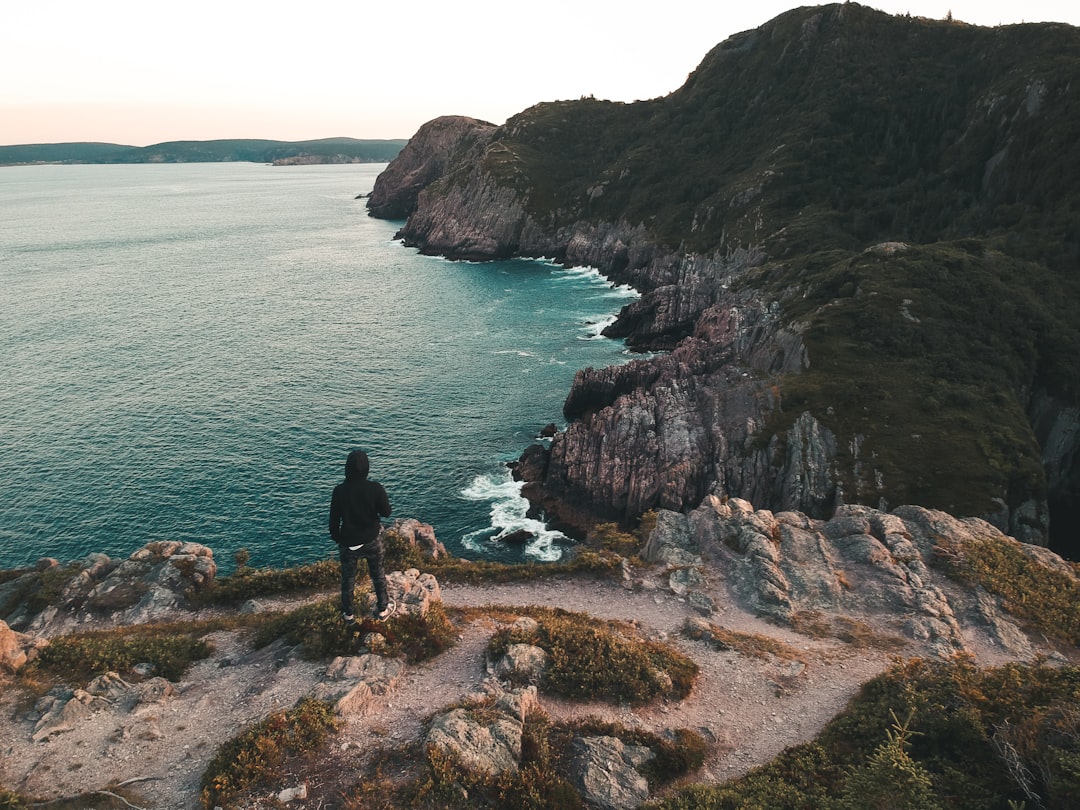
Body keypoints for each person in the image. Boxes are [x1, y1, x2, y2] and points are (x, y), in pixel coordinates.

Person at [329, 449, 392, 623]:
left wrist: (339, 539)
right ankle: (382, 609)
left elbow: (333, 521)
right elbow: (387, 512)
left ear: (347, 468)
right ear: (367, 469)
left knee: (348, 579)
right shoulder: (375, 488)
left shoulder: (339, 491)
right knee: (378, 574)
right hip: (371, 539)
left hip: (348, 542)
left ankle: (348, 614)